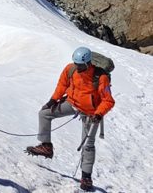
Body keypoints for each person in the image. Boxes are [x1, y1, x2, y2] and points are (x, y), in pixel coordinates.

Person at [26, 46, 114, 192]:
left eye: (80, 65)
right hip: (72, 103)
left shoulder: (101, 78)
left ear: (88, 63)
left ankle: (86, 177)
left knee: (88, 144)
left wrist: (98, 114)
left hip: (91, 112)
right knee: (44, 114)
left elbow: (108, 101)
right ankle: (46, 146)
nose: (77, 67)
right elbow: (62, 85)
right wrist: (53, 100)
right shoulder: (71, 69)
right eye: (76, 63)